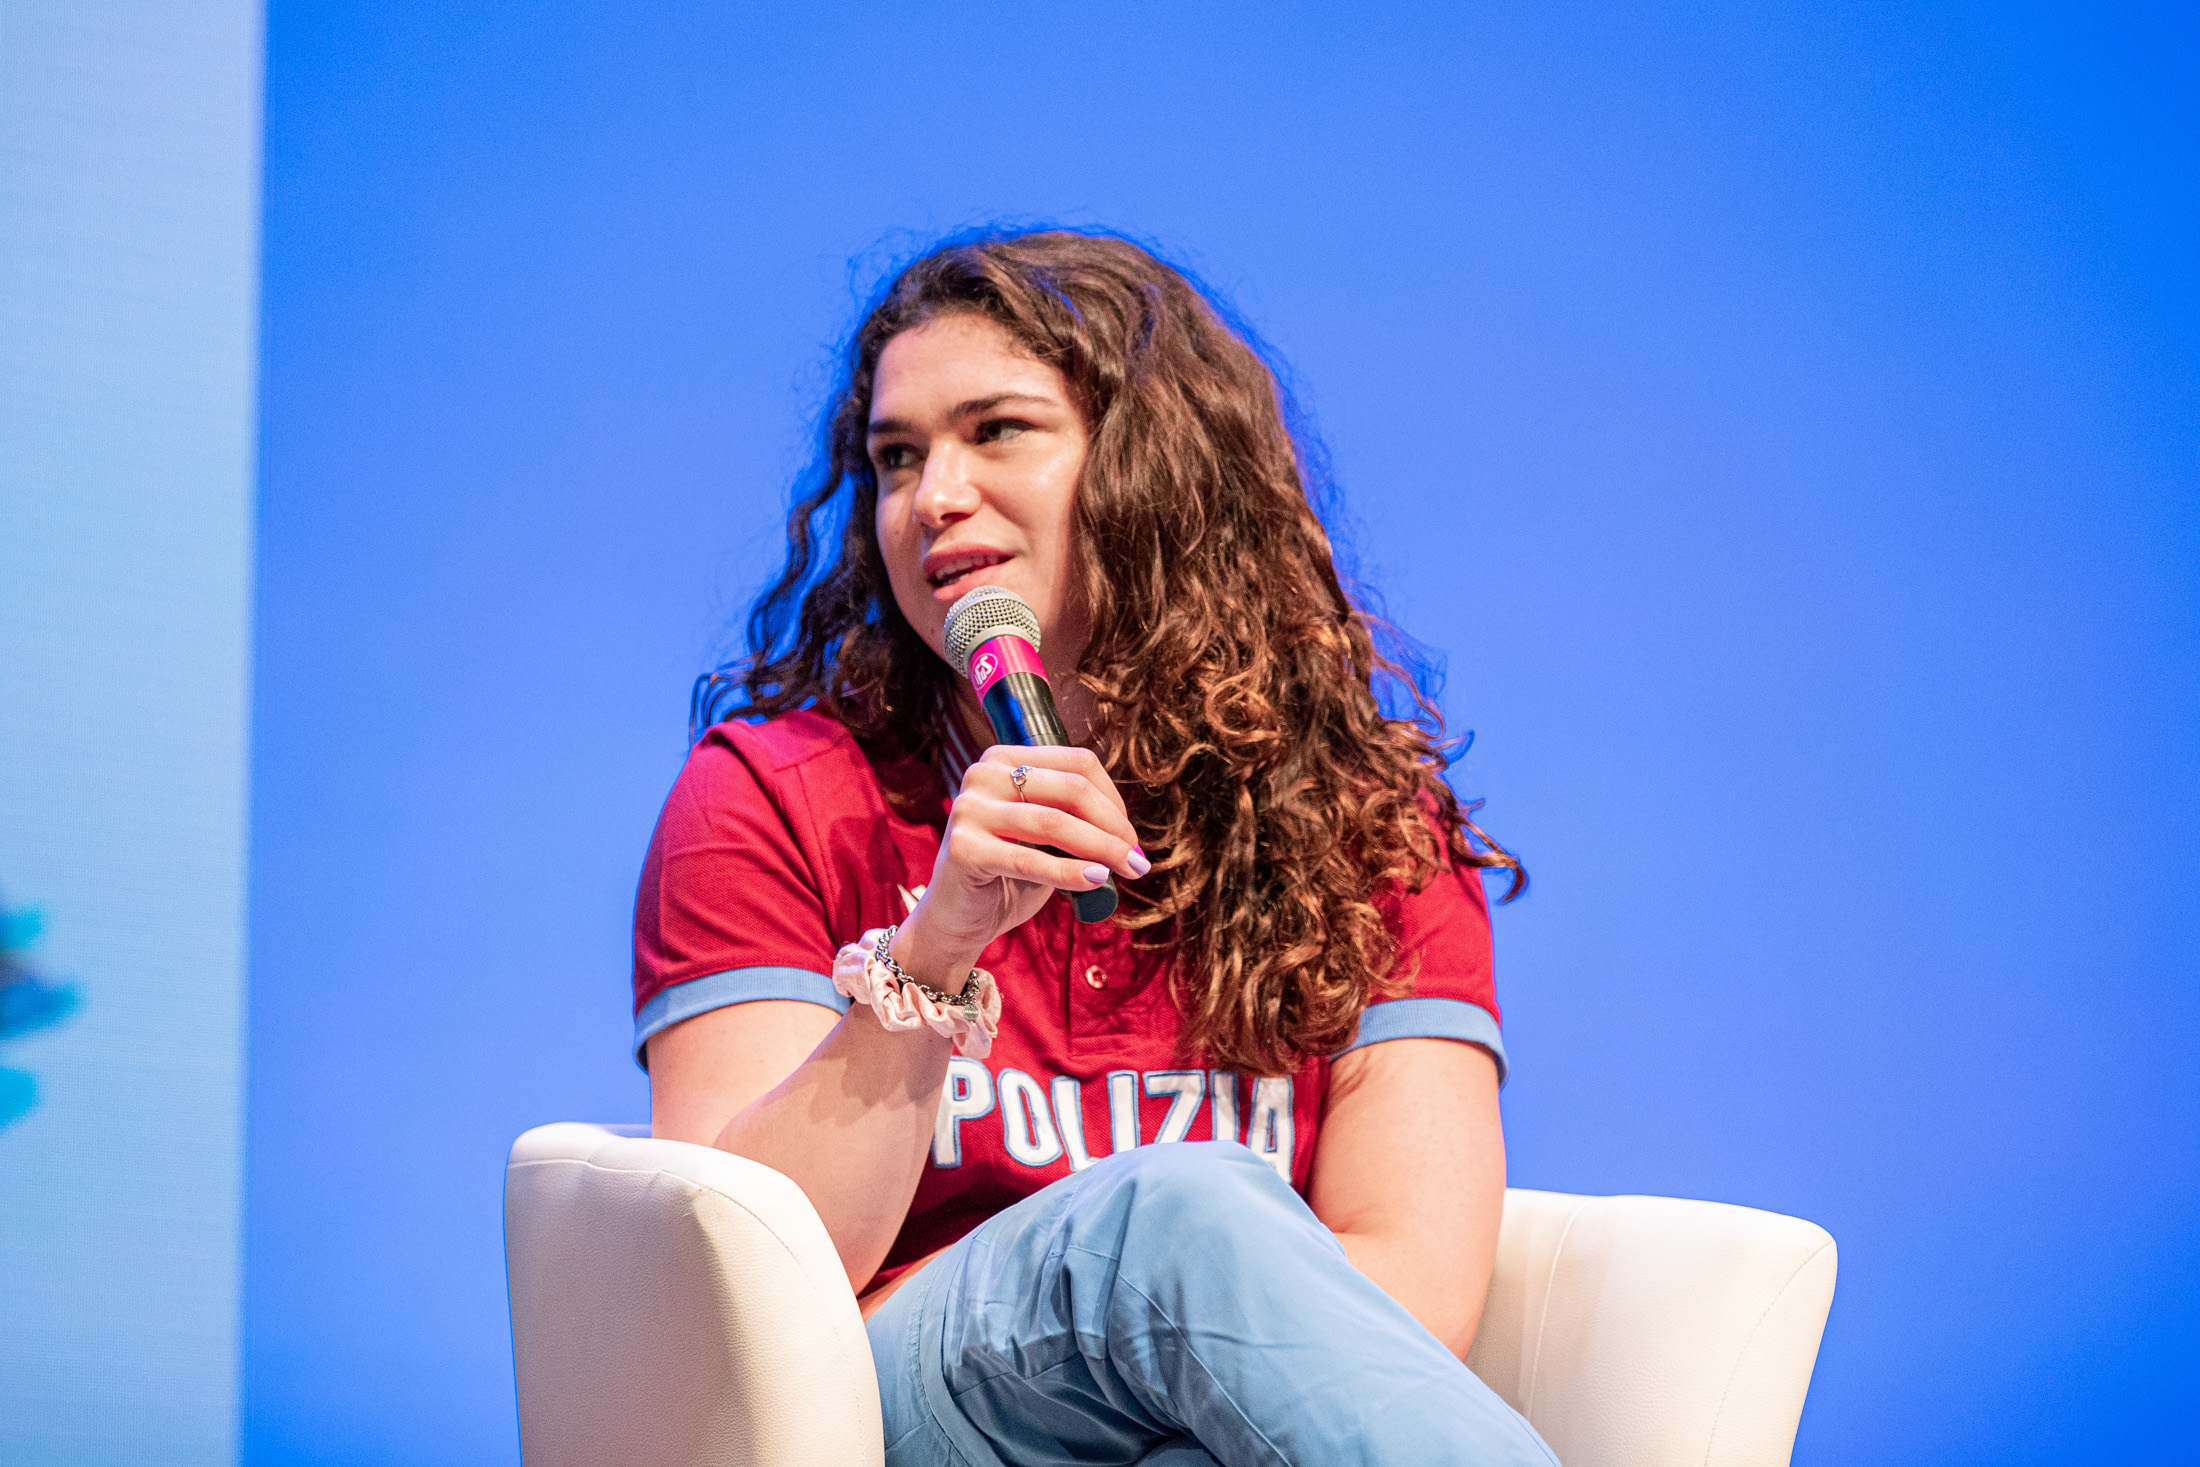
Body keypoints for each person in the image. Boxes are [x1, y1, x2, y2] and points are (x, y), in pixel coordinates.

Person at [638, 230, 1556, 1466]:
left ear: (1156, 471)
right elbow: (742, 1273)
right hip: (894, 1396)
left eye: (996, 431)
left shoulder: (1368, 826)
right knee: (1176, 1213)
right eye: (895, 458)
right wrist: (940, 946)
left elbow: (1411, 1281)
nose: (934, 496)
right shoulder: (775, 792)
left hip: (1228, 1411)